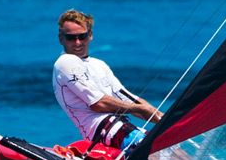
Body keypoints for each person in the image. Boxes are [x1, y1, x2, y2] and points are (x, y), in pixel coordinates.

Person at [52, 9, 163, 151]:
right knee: (155, 152)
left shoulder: (99, 65)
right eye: (71, 38)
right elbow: (98, 103)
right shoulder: (65, 62)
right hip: (101, 132)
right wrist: (139, 109)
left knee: (175, 151)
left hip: (121, 126)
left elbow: (127, 98)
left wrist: (163, 118)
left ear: (90, 35)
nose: (77, 42)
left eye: (82, 36)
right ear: (61, 38)